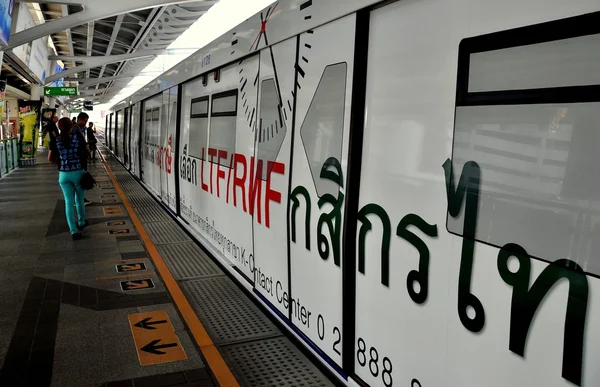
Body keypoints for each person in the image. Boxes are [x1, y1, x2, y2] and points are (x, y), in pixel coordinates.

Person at [48, 117, 90, 240]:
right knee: (80, 199)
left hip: (63, 175)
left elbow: (50, 158)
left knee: (68, 203)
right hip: (77, 173)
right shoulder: (77, 138)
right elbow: (87, 151)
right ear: (71, 126)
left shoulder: (55, 140)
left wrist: (61, 163)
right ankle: (81, 222)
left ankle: (73, 231)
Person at [73, 112, 92, 205]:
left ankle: (79, 199)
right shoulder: (76, 130)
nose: (85, 123)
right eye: (85, 121)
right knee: (80, 180)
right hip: (80, 159)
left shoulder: (77, 129)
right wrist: (89, 153)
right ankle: (79, 200)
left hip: (76, 159)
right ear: (79, 119)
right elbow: (84, 144)